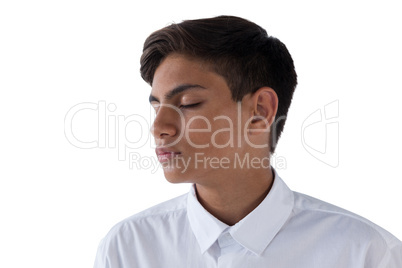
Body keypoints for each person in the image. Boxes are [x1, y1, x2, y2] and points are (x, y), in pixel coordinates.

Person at [94, 15, 402, 267]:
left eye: (187, 103)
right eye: (156, 105)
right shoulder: (127, 249)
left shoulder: (366, 254)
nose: (158, 127)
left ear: (260, 111)